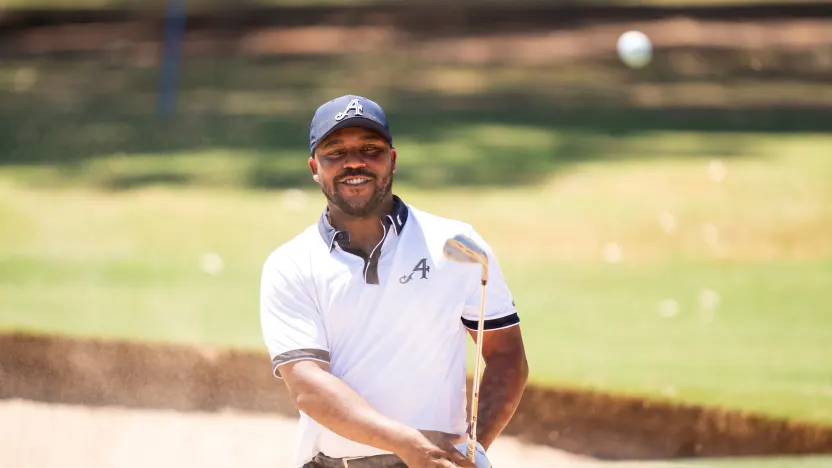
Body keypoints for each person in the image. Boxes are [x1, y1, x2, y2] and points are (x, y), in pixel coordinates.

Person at [260, 95, 529, 468]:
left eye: (370, 149)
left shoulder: (457, 246)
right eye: (335, 152)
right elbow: (307, 386)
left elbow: (505, 354)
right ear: (314, 168)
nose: (354, 161)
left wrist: (469, 450)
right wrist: (409, 444)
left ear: (393, 159)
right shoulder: (291, 263)